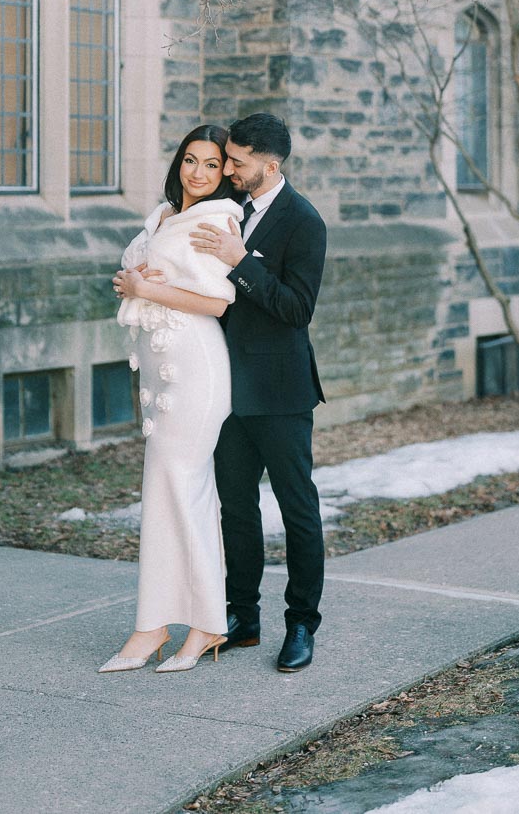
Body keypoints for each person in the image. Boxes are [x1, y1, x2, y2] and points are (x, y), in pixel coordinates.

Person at [100, 124, 244, 675]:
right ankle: (162, 622)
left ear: (223, 172)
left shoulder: (216, 220)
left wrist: (145, 289)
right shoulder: (163, 214)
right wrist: (130, 281)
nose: (199, 173)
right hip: (161, 370)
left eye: (212, 164)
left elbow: (217, 301)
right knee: (172, 490)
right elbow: (144, 274)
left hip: (196, 365)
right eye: (191, 160)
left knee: (177, 486)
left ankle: (186, 623)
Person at [189, 113, 327, 672]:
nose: (229, 169)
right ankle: (242, 617)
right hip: (225, 391)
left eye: (238, 161)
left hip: (281, 391)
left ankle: (301, 625)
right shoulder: (226, 210)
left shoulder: (304, 222)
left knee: (298, 511)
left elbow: (297, 310)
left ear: (270, 164)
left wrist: (240, 261)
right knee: (236, 510)